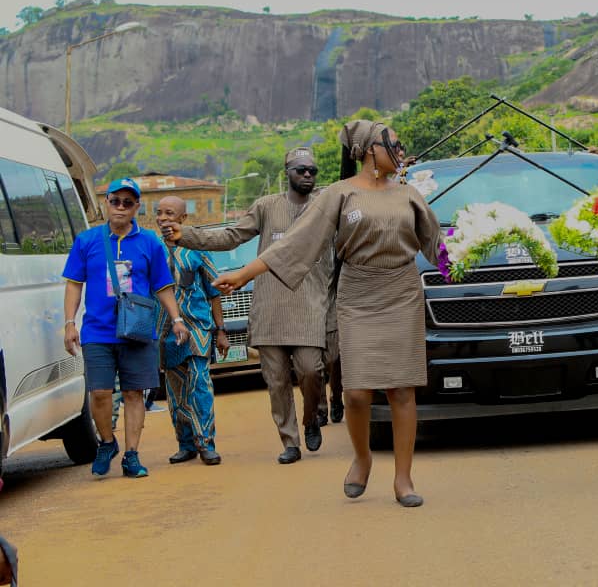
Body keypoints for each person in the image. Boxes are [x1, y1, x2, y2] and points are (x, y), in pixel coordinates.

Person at [211, 119, 440, 508]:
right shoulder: (338, 194)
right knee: (355, 393)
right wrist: (244, 273)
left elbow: (438, 245)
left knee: (402, 389)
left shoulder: (408, 194)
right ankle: (363, 459)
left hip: (401, 293)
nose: (401, 151)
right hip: (358, 295)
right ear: (371, 150)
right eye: (395, 145)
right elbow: (297, 243)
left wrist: (482, 245)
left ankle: (403, 478)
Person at [162, 149, 333, 464]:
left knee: (311, 371)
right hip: (269, 307)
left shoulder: (324, 208)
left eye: (312, 170)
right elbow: (231, 236)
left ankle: (311, 419)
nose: (307, 175)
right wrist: (186, 236)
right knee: (277, 380)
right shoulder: (267, 207)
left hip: (311, 306)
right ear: (287, 173)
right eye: (300, 170)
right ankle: (290, 442)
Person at [62, 178, 189, 479]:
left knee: (134, 393)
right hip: (97, 332)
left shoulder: (149, 243)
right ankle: (108, 441)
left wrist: (177, 319)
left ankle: (132, 455)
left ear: (136, 208)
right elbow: (73, 284)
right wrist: (69, 323)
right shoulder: (87, 241)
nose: (120, 207)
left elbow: (163, 285)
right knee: (100, 394)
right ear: (106, 203)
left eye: (128, 202)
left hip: (138, 330)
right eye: (115, 201)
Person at [155, 195, 228, 465]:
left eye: (169, 213)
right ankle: (185, 444)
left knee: (199, 384)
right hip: (166, 332)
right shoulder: (153, 249)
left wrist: (221, 330)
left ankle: (206, 442)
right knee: (175, 390)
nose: (163, 218)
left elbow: (215, 290)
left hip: (197, 328)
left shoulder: (196, 249)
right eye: (159, 213)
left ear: (183, 219)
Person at [316, 274, 344, 426]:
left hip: (332, 304)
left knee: (334, 358)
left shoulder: (334, 249)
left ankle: (337, 397)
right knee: (314, 363)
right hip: (309, 309)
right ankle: (321, 409)